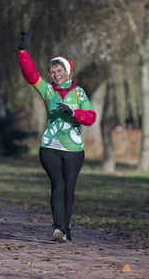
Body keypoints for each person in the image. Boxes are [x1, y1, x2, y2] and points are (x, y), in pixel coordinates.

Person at [17, 29, 96, 242]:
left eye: (59, 70)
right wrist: (23, 51)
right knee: (58, 185)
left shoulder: (79, 93)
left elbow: (90, 117)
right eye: (52, 71)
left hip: (74, 150)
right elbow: (30, 74)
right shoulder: (47, 91)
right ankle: (59, 229)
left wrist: (73, 113)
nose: (55, 74)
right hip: (50, 147)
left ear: (67, 72)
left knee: (69, 189)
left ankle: (66, 226)